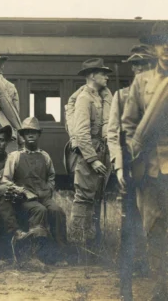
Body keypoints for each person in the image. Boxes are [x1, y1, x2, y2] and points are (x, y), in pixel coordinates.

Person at [122, 21, 168, 301]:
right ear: (155, 48)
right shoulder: (142, 82)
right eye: (163, 44)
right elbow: (128, 125)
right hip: (151, 168)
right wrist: (133, 152)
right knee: (154, 227)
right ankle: (162, 286)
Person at [108, 45, 154, 276]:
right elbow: (114, 134)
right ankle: (137, 264)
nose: (138, 69)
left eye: (143, 64)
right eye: (134, 65)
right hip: (132, 167)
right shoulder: (121, 96)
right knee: (133, 217)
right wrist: (118, 166)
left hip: (159, 165)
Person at [2, 117, 67, 267]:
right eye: (27, 133)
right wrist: (21, 191)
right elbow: (5, 180)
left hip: (43, 196)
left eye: (34, 132)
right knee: (40, 211)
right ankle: (34, 254)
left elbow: (51, 176)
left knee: (57, 211)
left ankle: (59, 254)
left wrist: (49, 189)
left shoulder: (45, 156)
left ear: (39, 135)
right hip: (24, 200)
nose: (30, 135)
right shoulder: (15, 157)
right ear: (22, 136)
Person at [68, 58, 112, 253]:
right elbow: (81, 133)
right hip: (89, 154)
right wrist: (92, 160)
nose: (107, 76)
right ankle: (77, 245)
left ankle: (92, 243)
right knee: (83, 198)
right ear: (92, 75)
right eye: (103, 73)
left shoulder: (102, 96)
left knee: (96, 197)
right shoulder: (85, 98)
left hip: (101, 151)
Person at [0, 123, 26, 265]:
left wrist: (15, 190)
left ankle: (20, 251)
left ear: (6, 142)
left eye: (1, 140)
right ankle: (4, 250)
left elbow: (19, 180)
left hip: (10, 198)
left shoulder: (12, 159)